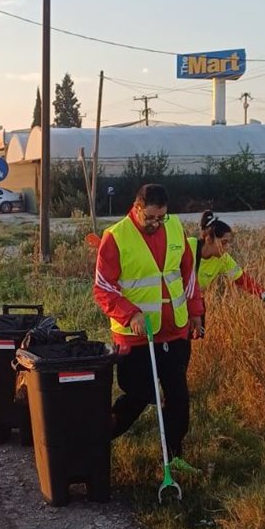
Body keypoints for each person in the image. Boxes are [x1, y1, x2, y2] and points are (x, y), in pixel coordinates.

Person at [93, 183, 204, 469]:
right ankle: (94, 442)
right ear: (137, 208)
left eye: (161, 218)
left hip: (175, 330)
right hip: (136, 336)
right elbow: (103, 288)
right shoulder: (115, 237)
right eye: (151, 217)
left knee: (178, 397)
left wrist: (195, 312)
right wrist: (130, 314)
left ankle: (174, 456)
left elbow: (187, 274)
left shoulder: (176, 227)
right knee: (138, 395)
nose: (156, 223)